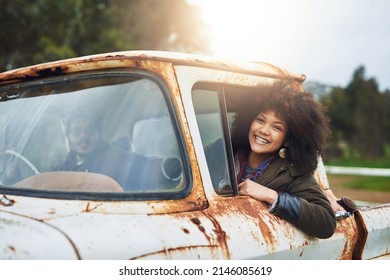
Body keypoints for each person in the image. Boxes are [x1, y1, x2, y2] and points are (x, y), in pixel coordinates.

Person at [231, 82, 336, 239]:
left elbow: (326, 222)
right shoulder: (221, 152)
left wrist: (273, 196)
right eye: (260, 120)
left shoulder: (293, 174)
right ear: (249, 121)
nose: (264, 130)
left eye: (276, 127)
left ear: (288, 140)